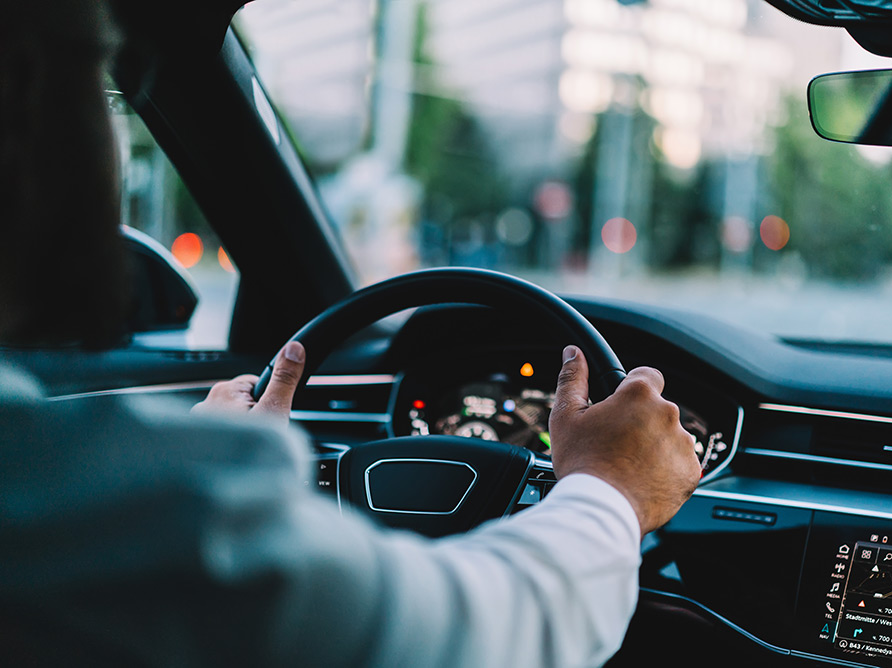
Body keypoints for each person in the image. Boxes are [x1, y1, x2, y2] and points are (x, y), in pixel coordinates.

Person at [0, 1, 702, 666]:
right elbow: (474, 639)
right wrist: (611, 489)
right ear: (32, 107)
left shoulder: (71, 498)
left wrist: (182, 474)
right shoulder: (96, 500)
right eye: (100, 85)